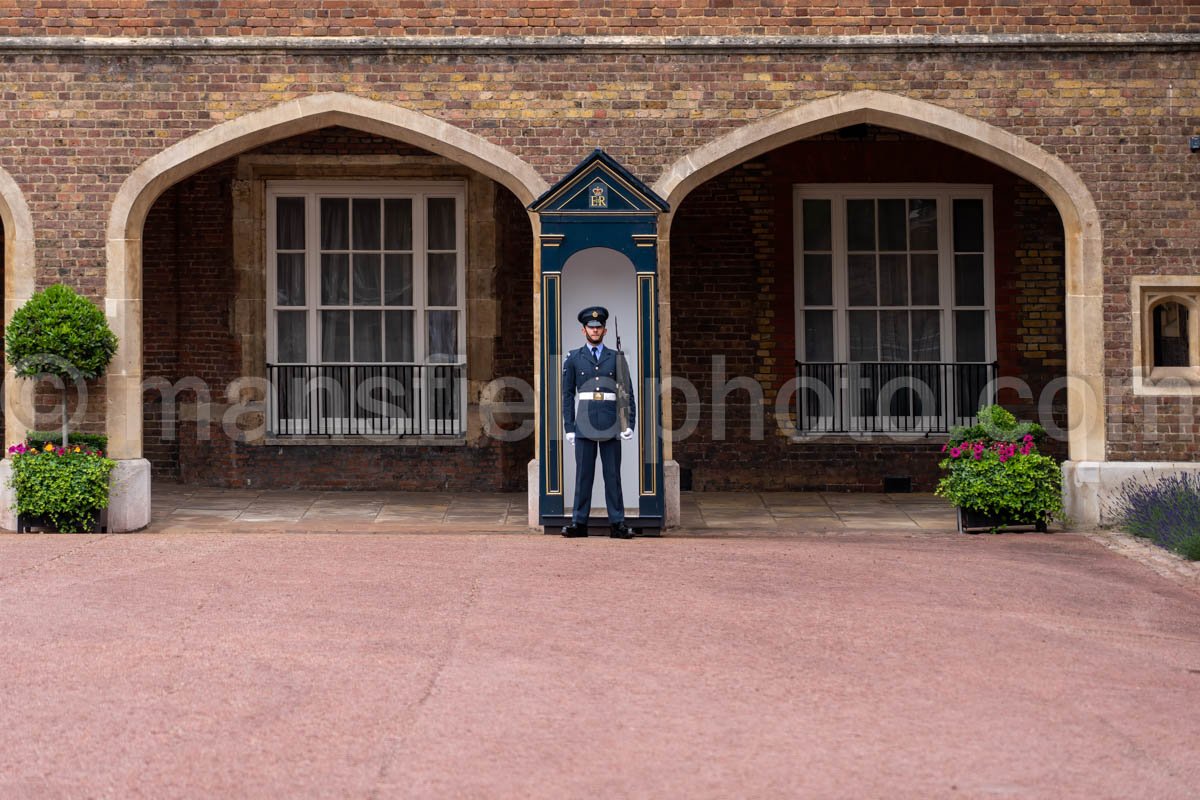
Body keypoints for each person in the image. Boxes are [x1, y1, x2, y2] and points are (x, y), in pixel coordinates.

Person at [561, 306, 636, 539]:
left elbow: (627, 393)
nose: (595, 331)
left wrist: (629, 424)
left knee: (612, 475)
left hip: (610, 422)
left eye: (599, 327)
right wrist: (569, 427)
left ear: (604, 330)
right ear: (584, 330)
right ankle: (578, 522)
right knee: (583, 475)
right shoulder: (574, 358)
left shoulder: (615, 357)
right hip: (584, 422)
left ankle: (618, 523)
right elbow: (567, 395)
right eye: (591, 328)